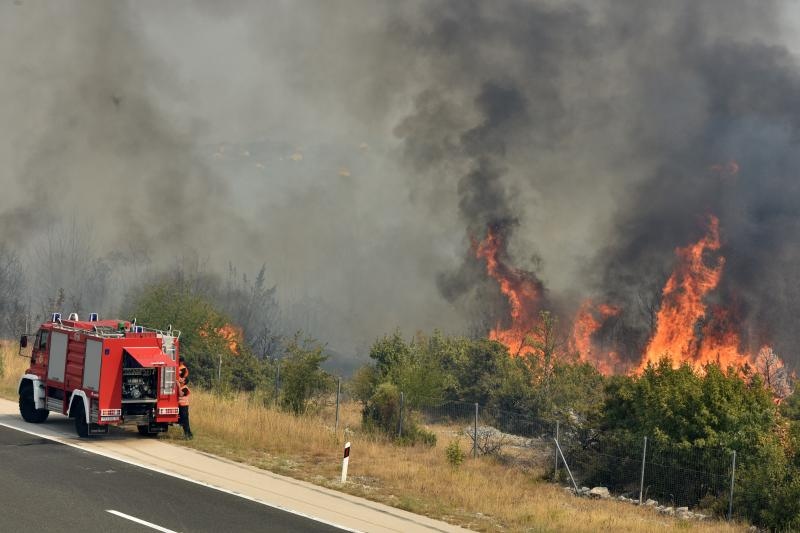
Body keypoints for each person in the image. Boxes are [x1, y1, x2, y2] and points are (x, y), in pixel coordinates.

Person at [177, 356, 193, 439]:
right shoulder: (179, 368)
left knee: (185, 421)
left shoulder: (185, 388)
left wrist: (178, 384)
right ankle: (188, 434)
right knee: (183, 421)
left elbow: (180, 394)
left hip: (184, 407)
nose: (181, 380)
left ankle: (188, 434)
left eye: (182, 380)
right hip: (181, 406)